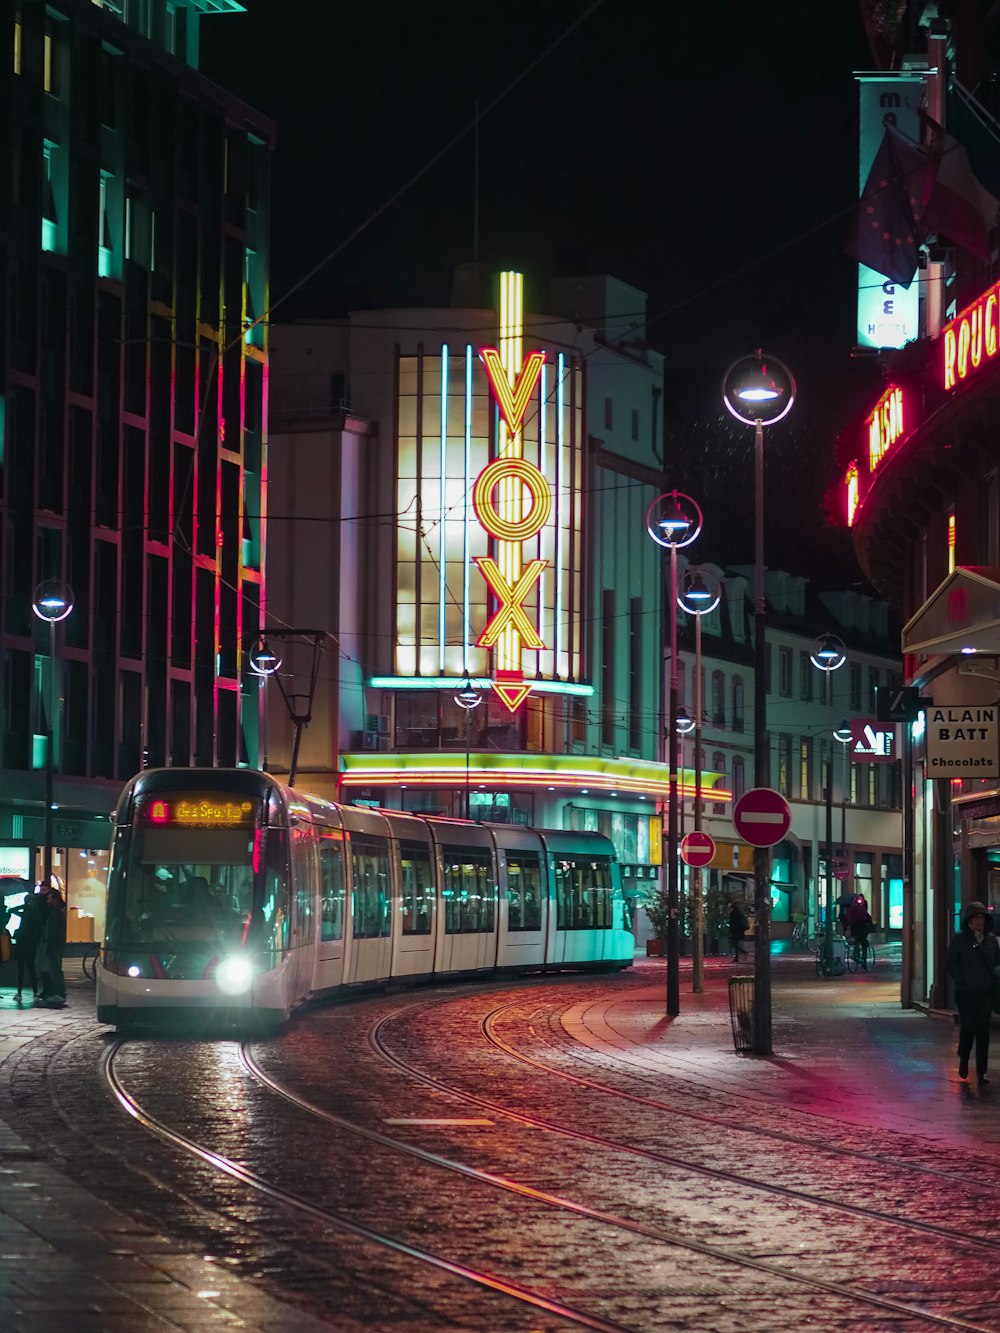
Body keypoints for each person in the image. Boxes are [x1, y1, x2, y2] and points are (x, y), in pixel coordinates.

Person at [946, 900, 1000, 1084]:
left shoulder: (991, 940)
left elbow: (996, 962)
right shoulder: (959, 939)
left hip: (985, 991)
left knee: (983, 1031)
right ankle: (964, 1057)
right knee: (968, 1027)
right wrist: (962, 980)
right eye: (976, 918)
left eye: (982, 918)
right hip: (966, 993)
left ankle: (982, 1071)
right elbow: (951, 963)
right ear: (969, 920)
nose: (979, 921)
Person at [13, 885, 46, 1002]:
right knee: (31, 969)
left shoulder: (26, 913)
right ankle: (35, 993)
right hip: (30, 945)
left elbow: (12, 910)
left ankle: (19, 993)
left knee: (21, 969)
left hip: (22, 944)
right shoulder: (36, 914)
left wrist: (24, 906)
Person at [39, 887, 67, 1008]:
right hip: (56, 944)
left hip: (55, 945)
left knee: (55, 969)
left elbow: (55, 931)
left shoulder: (56, 913)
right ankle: (58, 992)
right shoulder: (56, 911)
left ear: (55, 899)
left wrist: (50, 940)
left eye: (49, 899)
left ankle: (59, 993)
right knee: (55, 969)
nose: (47, 901)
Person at [845, 895, 874, 966]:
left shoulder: (852, 909)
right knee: (863, 943)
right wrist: (871, 927)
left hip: (855, 928)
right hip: (862, 928)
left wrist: (848, 926)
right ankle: (864, 960)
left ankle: (856, 954)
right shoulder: (862, 910)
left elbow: (848, 918)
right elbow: (868, 919)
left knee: (856, 941)